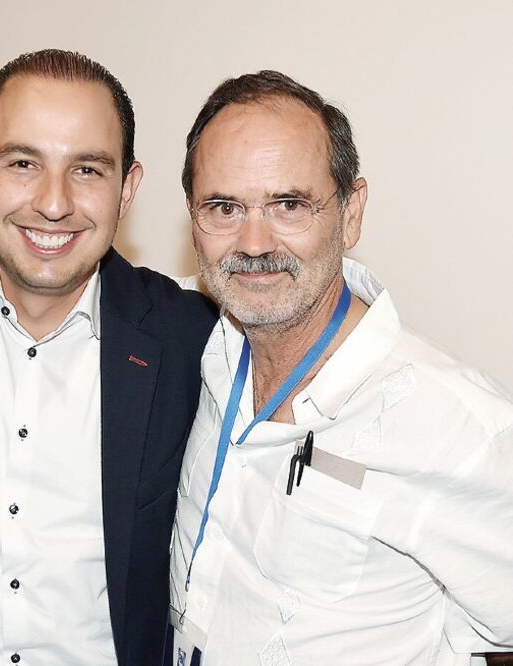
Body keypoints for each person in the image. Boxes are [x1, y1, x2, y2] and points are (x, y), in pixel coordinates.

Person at [0, 50, 216, 665]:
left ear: (127, 188)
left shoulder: (192, 340)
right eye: (23, 163)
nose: (53, 203)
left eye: (87, 169)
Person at [169, 70, 513, 665]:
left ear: (351, 213)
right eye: (223, 207)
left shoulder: (455, 426)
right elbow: (74, 285)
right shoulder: (201, 345)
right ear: (194, 221)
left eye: (289, 205)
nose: (253, 243)